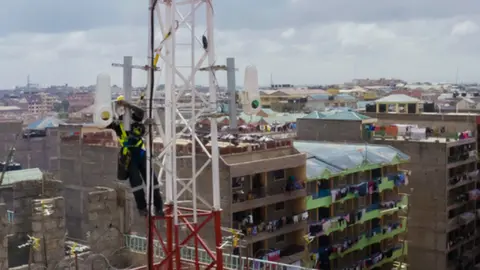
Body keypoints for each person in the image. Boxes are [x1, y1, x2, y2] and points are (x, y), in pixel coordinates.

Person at [108, 95, 164, 217]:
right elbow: (102, 122)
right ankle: (142, 208)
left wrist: (128, 105)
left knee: (152, 181)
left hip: (140, 153)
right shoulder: (118, 123)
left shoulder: (135, 119)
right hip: (129, 155)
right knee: (136, 183)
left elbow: (140, 112)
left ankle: (159, 208)